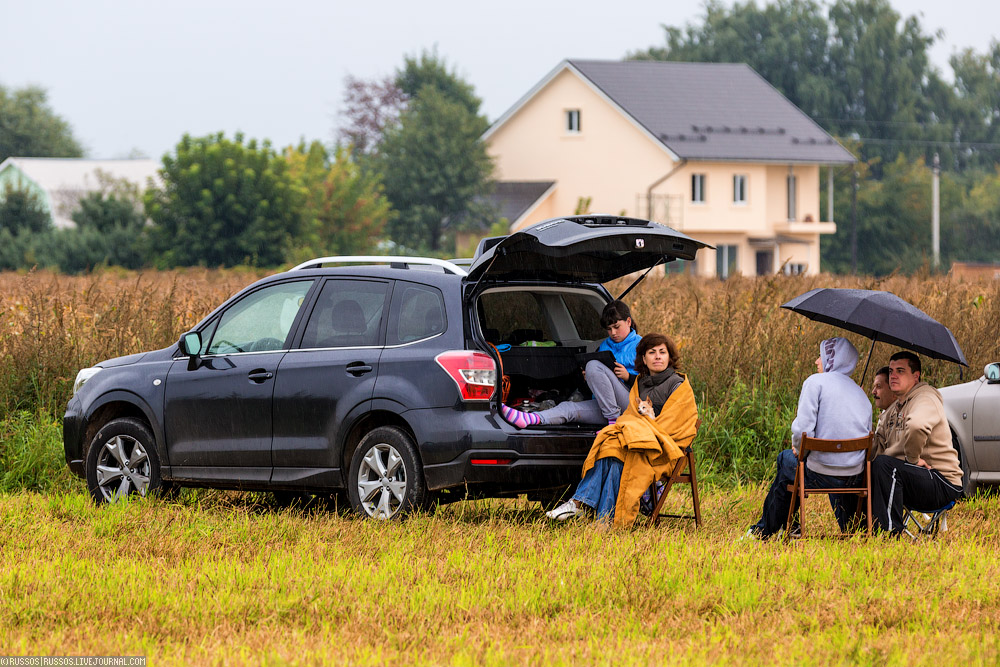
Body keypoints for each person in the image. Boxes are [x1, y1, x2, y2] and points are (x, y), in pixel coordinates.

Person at [544, 333, 699, 527]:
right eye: (652, 352)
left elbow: (676, 426)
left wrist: (633, 431)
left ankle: (584, 505)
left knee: (620, 449)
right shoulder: (640, 382)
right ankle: (601, 517)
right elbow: (630, 416)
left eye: (662, 352)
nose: (658, 356)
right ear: (644, 358)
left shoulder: (678, 384)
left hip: (665, 450)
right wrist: (627, 430)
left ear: (669, 357)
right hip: (636, 442)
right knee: (612, 449)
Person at [744, 337, 872, 539]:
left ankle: (767, 530)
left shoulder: (815, 382)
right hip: (853, 476)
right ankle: (850, 527)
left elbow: (802, 430)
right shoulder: (861, 394)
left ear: (832, 358)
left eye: (820, 356)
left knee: (785, 459)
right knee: (791, 464)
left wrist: (800, 449)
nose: (816, 361)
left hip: (816, 472)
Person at [501, 300, 641, 428]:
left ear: (628, 321)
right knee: (569, 408)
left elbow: (653, 384)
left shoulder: (642, 346)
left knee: (592, 364)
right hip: (605, 406)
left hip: (631, 405)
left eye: (617, 327)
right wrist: (588, 379)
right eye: (609, 329)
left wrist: (628, 377)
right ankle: (530, 418)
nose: (613, 333)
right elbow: (590, 391)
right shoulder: (604, 346)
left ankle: (613, 423)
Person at [870, 351, 963, 535]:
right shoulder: (894, 408)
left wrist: (911, 460)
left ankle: (888, 534)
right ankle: (858, 528)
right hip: (913, 477)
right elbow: (876, 449)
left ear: (915, 376)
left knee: (885, 466)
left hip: (940, 480)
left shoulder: (926, 398)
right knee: (864, 468)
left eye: (900, 371)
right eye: (890, 371)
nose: (893, 376)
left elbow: (917, 426)